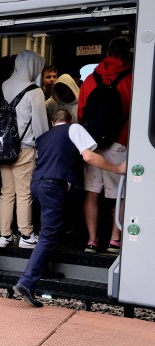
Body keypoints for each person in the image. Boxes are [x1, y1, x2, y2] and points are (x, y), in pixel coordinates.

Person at [13, 109, 126, 308]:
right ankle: (26, 282)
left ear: (52, 121)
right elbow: (89, 156)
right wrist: (117, 169)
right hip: (53, 186)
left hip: (38, 185)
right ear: (71, 119)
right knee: (49, 233)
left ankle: (43, 269)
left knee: (49, 229)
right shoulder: (74, 128)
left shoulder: (44, 136)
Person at [0, 50, 49, 249]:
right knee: (24, 193)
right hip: (24, 150)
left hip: (1, 149)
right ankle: (26, 235)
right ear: (33, 67)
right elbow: (41, 127)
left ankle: (4, 235)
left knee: (7, 192)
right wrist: (44, 150)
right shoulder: (34, 91)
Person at [77, 36, 133, 254]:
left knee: (91, 192)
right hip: (119, 142)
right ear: (127, 53)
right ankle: (114, 240)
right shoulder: (133, 78)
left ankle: (92, 240)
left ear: (107, 54)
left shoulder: (91, 79)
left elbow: (81, 111)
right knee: (119, 194)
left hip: (92, 143)